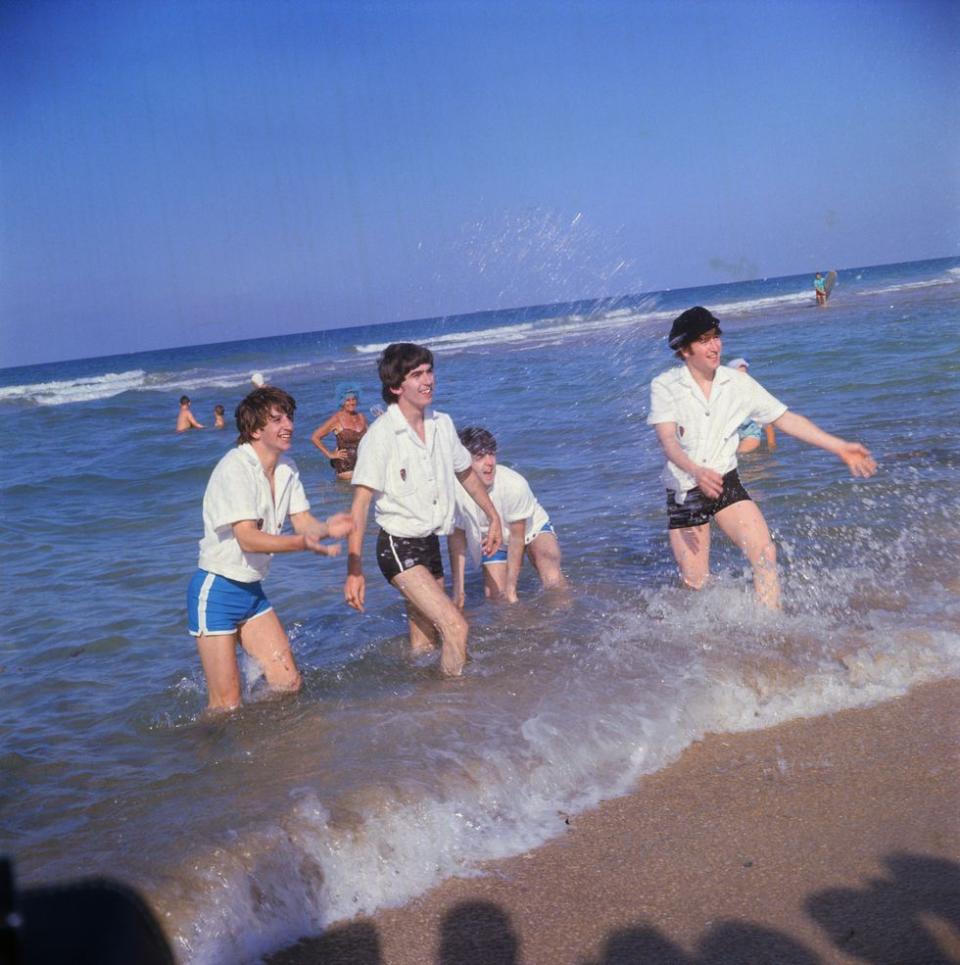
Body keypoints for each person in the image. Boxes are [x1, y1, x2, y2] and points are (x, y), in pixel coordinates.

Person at [647, 306, 877, 609]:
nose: (715, 346)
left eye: (716, 337)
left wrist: (839, 447)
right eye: (704, 340)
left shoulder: (738, 383)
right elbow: (668, 441)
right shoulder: (665, 386)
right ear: (684, 349)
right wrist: (695, 470)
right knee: (696, 583)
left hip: (725, 480)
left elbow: (785, 419)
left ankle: (771, 627)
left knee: (765, 552)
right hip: (685, 488)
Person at [187, 385, 353, 712]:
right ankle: (201, 756)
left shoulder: (287, 467)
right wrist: (301, 543)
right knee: (226, 707)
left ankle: (269, 749)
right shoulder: (236, 467)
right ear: (254, 430)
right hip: (216, 591)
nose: (288, 425)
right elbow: (247, 538)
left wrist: (325, 529)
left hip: (252, 592)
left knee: (287, 683)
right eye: (276, 420)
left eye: (289, 417)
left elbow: (303, 521)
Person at [343, 343, 503, 676]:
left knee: (425, 640)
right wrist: (354, 569)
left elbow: (465, 473)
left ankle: (421, 711)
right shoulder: (382, 435)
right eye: (417, 375)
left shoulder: (442, 424)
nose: (427, 380)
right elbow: (359, 506)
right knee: (456, 627)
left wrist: (493, 516)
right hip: (397, 546)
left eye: (429, 371)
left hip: (430, 544)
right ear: (396, 386)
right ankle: (454, 703)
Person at [448, 426, 565, 605]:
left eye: (491, 454)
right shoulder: (454, 492)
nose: (490, 462)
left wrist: (512, 589)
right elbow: (457, 542)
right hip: (493, 539)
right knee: (496, 596)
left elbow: (517, 538)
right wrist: (459, 591)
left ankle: (566, 616)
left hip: (531, 528)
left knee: (551, 572)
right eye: (480, 457)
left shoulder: (513, 484)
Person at [311, 384, 369, 480]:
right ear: (342, 401)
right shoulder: (336, 419)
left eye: (353, 399)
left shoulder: (361, 417)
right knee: (346, 495)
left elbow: (370, 438)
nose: (351, 402)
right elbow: (315, 437)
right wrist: (330, 455)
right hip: (346, 468)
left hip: (363, 466)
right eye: (347, 400)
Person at [726, 358, 777, 454]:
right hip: (729, 433)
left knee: (741, 455)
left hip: (749, 432)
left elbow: (767, 423)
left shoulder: (753, 394)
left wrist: (771, 445)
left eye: (745, 375)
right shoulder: (722, 393)